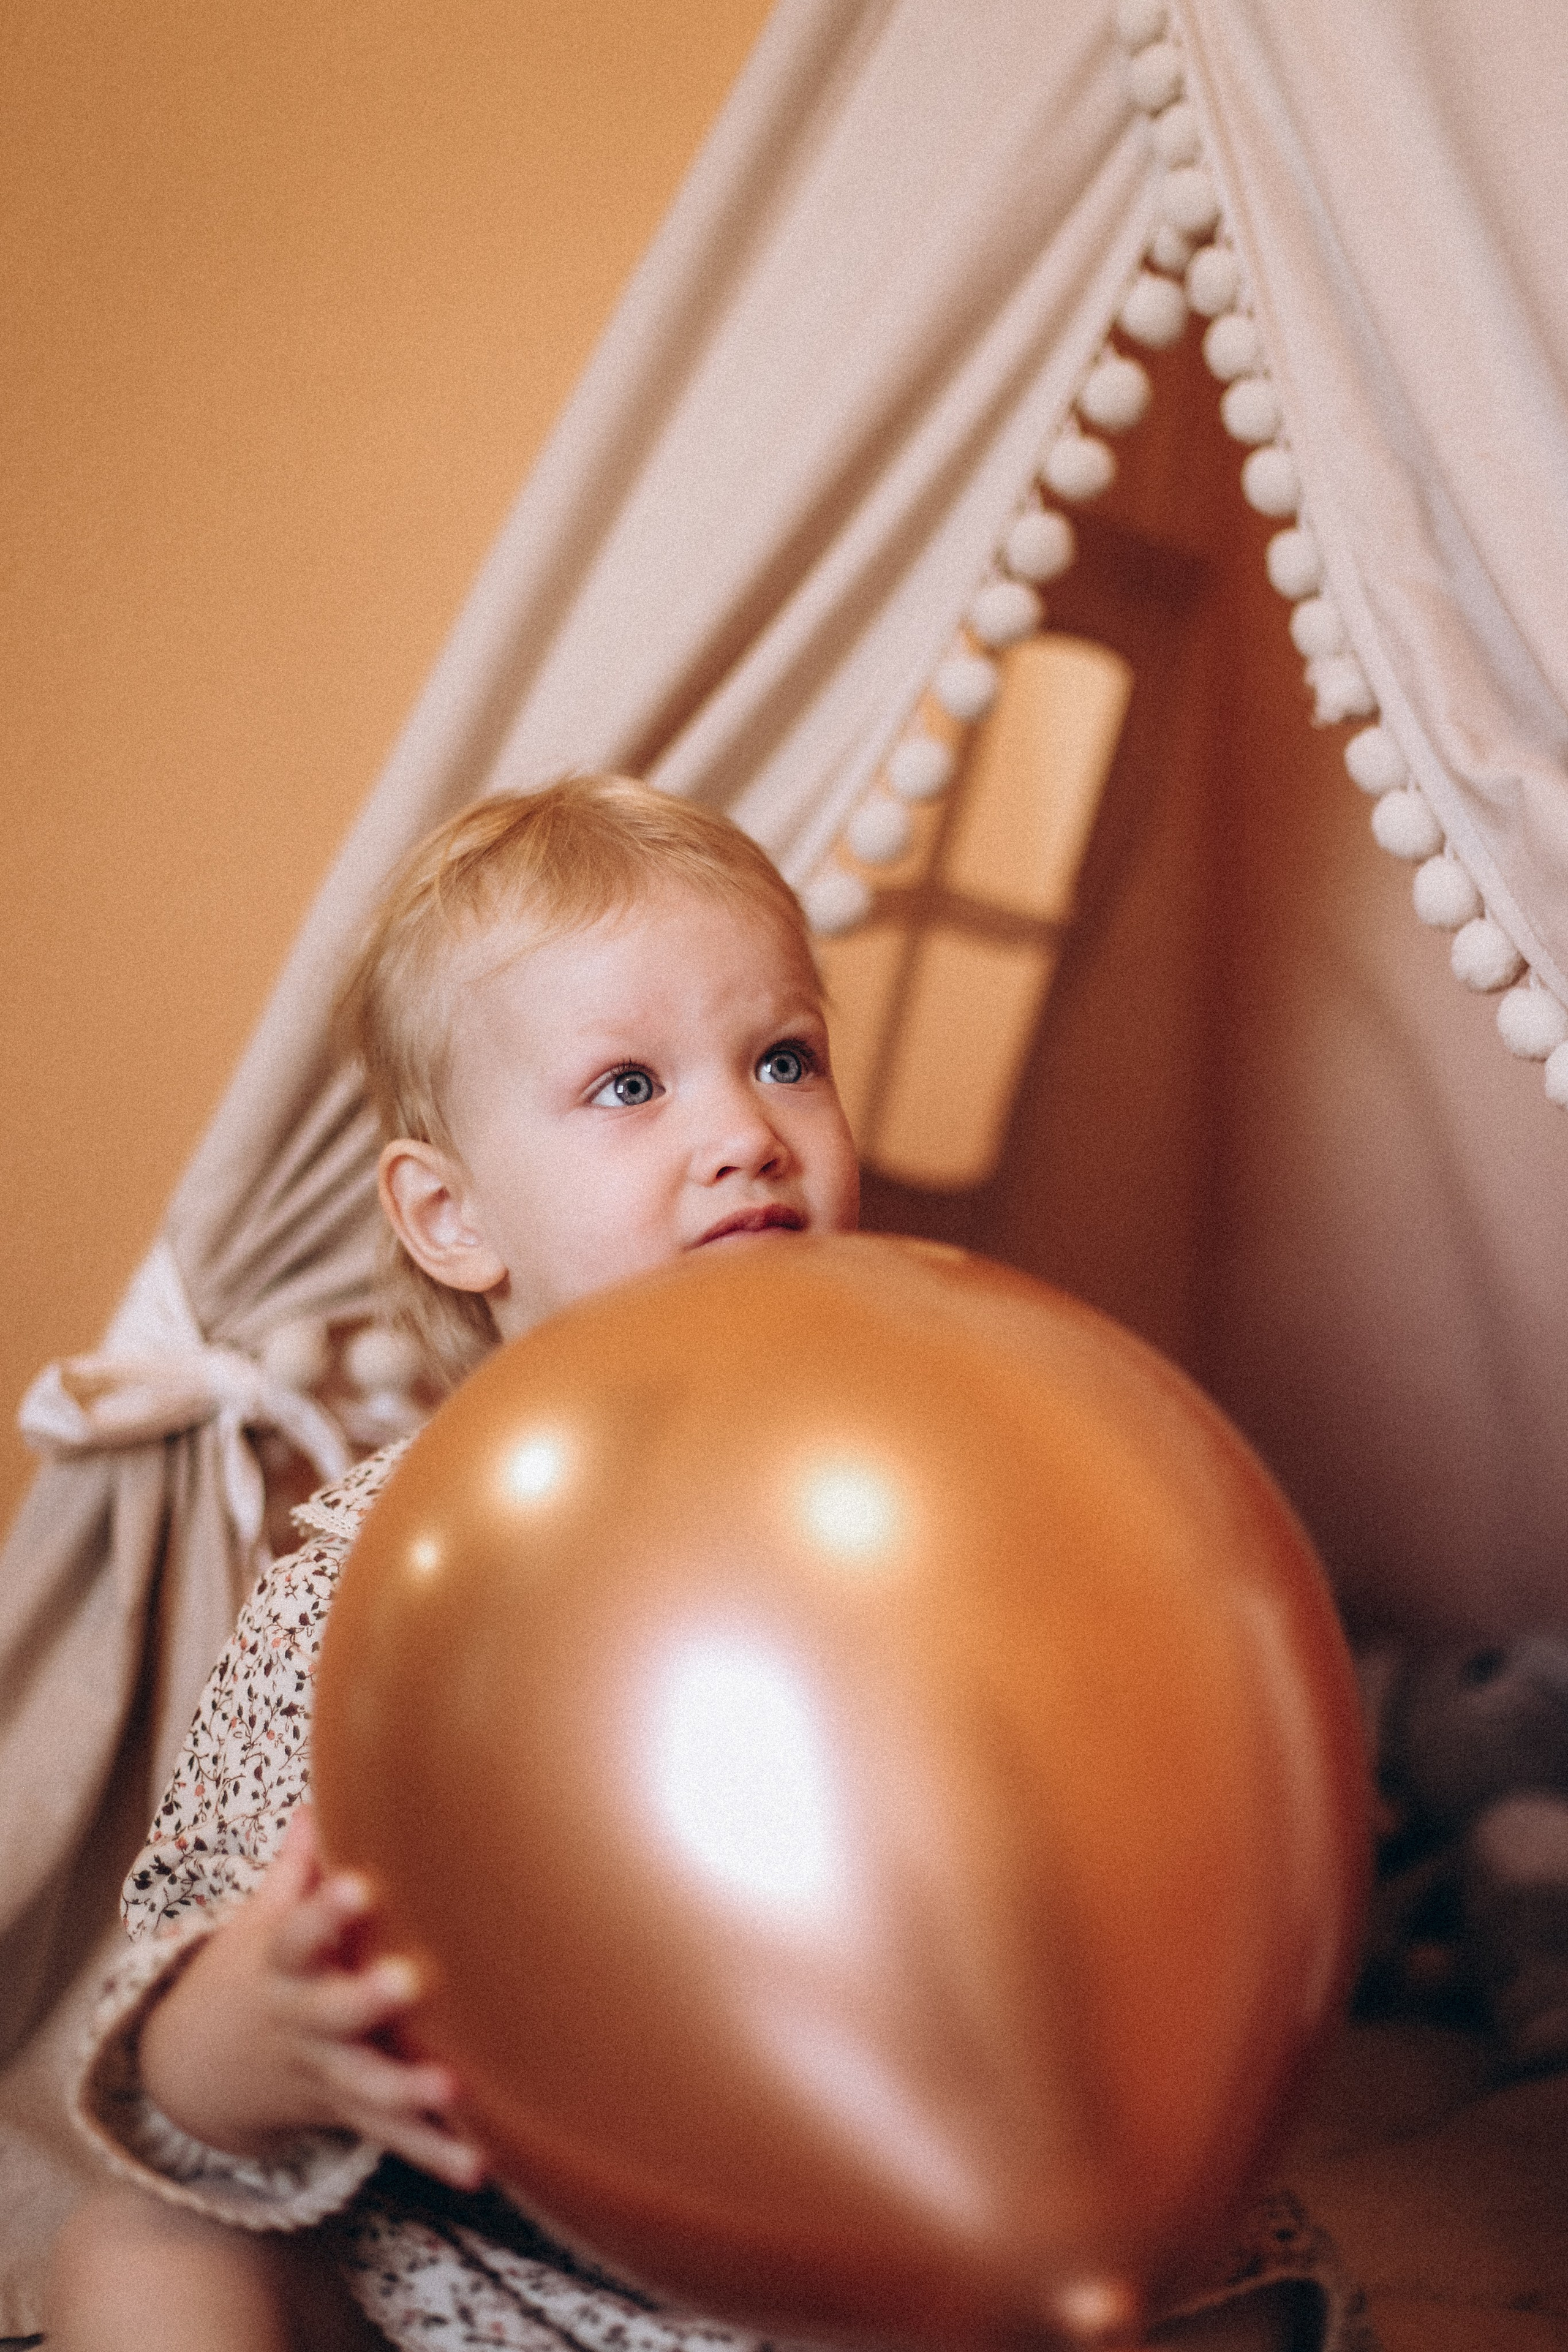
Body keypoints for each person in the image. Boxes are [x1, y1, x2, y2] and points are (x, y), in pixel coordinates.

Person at [47, 778, 1373, 2352]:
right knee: (138, 2248)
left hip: (901, 2249)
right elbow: (179, 1990)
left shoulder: (954, 1470)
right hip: (490, 2273)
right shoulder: (374, 1573)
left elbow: (1110, 1852)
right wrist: (251, 2035)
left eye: (784, 1060)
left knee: (1203, 2294)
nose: (743, 1134)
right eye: (628, 1087)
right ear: (449, 1214)